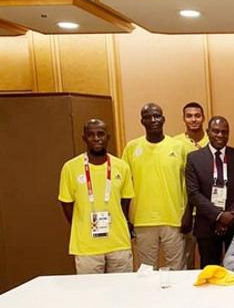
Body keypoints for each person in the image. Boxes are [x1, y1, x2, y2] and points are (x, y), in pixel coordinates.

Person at [58, 119, 134, 274]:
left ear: (108, 137)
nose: (96, 138)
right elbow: (66, 204)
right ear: (84, 138)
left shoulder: (122, 167)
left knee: (122, 287)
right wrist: (82, 224)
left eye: (101, 134)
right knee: (89, 288)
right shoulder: (70, 168)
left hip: (118, 243)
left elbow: (125, 202)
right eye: (91, 135)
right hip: (86, 246)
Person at [122, 103, 190, 270]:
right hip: (142, 220)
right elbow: (124, 186)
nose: (153, 120)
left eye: (157, 116)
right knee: (146, 272)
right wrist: (126, 218)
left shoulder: (178, 147)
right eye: (148, 117)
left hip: (174, 219)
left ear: (163, 119)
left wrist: (188, 214)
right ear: (142, 121)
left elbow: (189, 184)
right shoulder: (132, 148)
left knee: (177, 271)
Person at [186, 116, 234, 268]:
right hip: (207, 225)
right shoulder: (194, 158)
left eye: (224, 132)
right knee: (210, 271)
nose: (220, 135)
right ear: (207, 132)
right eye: (216, 131)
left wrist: (229, 215)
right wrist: (219, 216)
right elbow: (193, 193)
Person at [174, 101, 208, 269]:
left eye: (197, 116)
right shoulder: (175, 143)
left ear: (203, 118)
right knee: (186, 260)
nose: (193, 119)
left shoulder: (212, 139)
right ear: (183, 118)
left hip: (208, 210)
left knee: (209, 258)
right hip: (185, 211)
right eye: (189, 116)